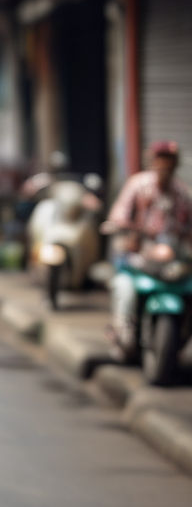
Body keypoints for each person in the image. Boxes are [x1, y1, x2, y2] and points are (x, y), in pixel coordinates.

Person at [101, 140, 192, 359]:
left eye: (169, 160)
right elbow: (119, 214)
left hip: (171, 260)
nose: (164, 165)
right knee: (124, 287)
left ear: (175, 163)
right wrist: (124, 228)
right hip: (139, 256)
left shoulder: (183, 193)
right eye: (160, 159)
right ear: (153, 161)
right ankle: (123, 332)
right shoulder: (137, 185)